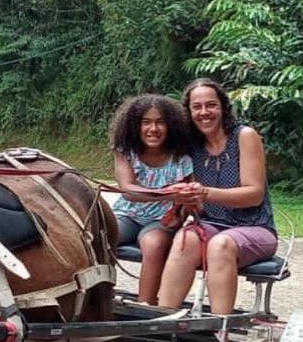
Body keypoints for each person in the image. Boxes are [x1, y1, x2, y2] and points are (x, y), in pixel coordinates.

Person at [158, 78, 277, 315]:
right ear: (189, 112)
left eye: (211, 105)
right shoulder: (192, 146)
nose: (204, 112)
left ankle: (218, 328)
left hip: (256, 228)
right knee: (185, 238)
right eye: (197, 107)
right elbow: (199, 209)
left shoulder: (244, 136)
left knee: (219, 245)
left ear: (223, 107)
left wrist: (206, 193)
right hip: (213, 226)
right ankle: (162, 321)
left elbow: (254, 194)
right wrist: (186, 199)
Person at [109, 94, 194, 305]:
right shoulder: (125, 151)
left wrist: (183, 209)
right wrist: (167, 192)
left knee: (154, 244)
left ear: (171, 126)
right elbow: (128, 190)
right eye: (146, 122)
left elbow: (187, 202)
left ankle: (145, 306)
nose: (153, 128)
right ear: (134, 126)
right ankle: (97, 298)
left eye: (160, 122)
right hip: (127, 214)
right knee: (98, 236)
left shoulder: (182, 157)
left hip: (161, 220)